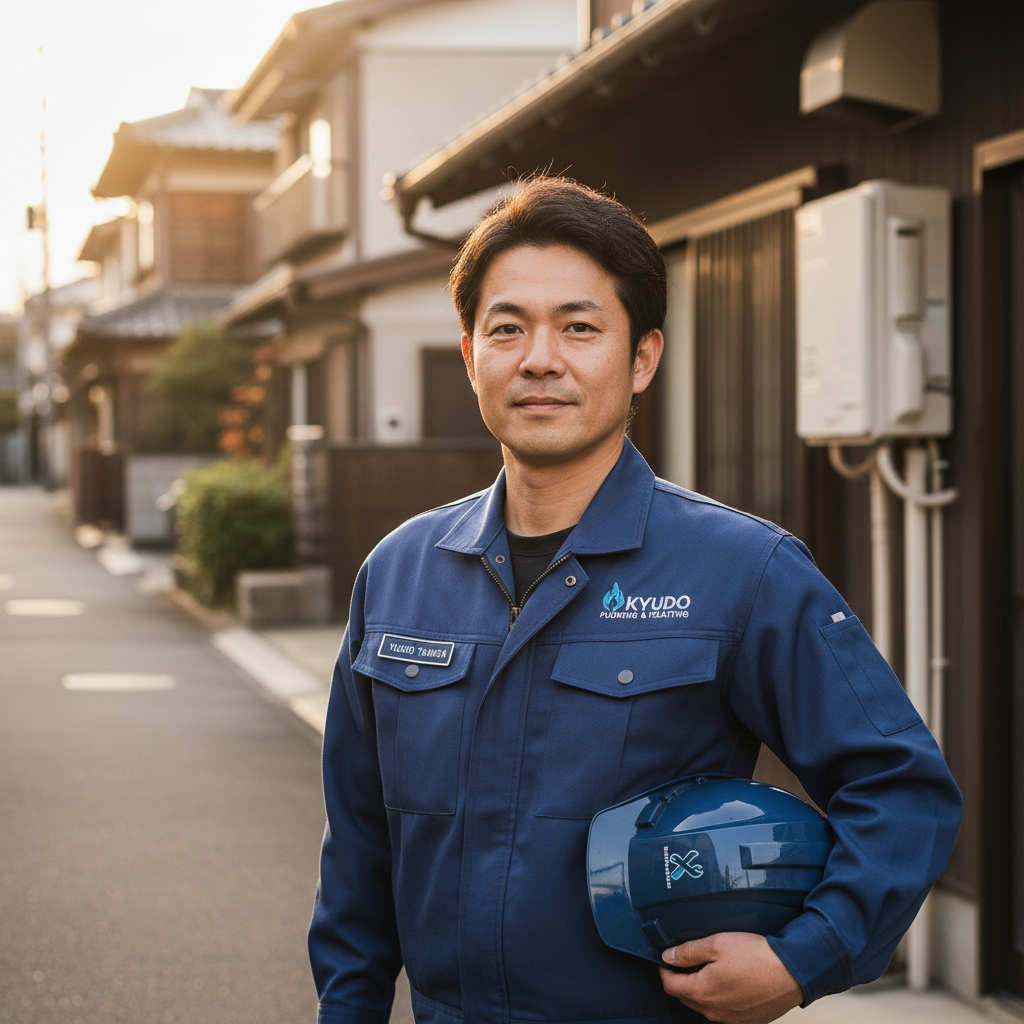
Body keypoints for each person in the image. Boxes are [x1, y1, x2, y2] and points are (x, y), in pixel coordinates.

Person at [308, 178, 962, 1024]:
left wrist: (805, 958)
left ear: (642, 357)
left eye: (580, 327)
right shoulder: (398, 574)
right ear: (471, 357)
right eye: (508, 328)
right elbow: (359, 850)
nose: (540, 358)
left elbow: (902, 786)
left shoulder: (742, 568)